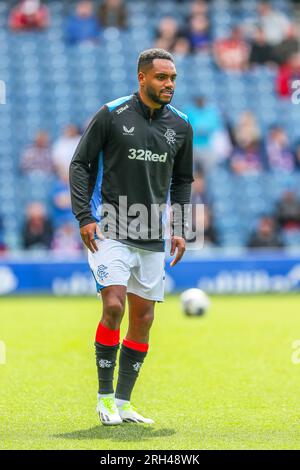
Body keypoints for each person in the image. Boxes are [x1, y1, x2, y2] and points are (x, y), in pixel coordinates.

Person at [69, 48, 194, 425]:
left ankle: (124, 403)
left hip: (152, 234)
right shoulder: (112, 114)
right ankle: (104, 398)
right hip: (109, 229)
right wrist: (83, 216)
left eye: (172, 78)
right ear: (142, 78)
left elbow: (183, 179)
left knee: (143, 319)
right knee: (114, 307)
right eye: (161, 77)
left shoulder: (182, 125)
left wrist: (182, 226)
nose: (168, 84)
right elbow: (80, 163)